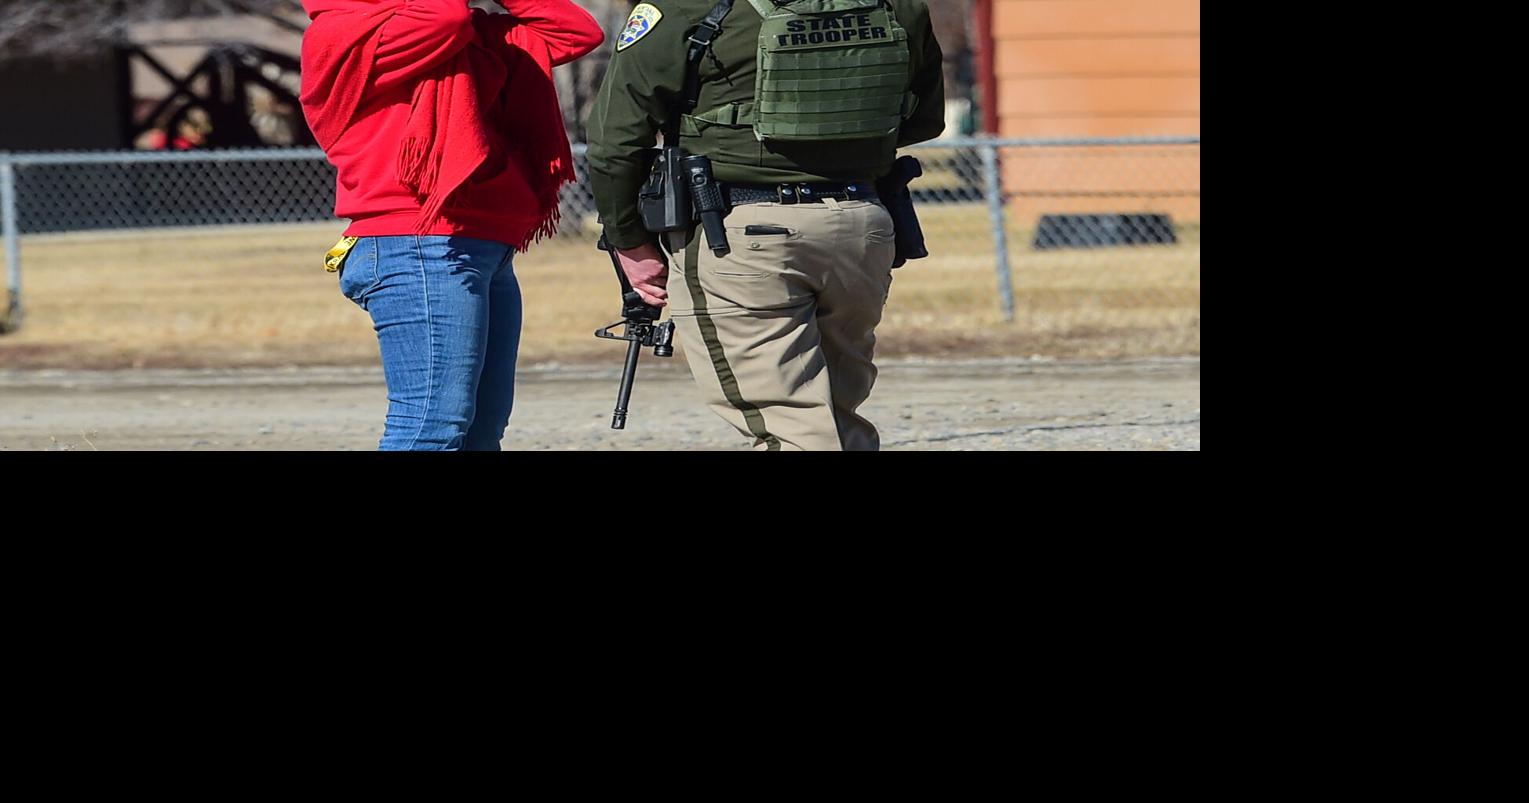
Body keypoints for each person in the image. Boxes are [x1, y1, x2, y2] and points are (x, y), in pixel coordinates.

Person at [587, 0, 945, 451]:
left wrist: (629, 242)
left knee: (788, 428)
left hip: (739, 234)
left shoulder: (686, 8)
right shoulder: (897, 5)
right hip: (862, 224)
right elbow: (925, 118)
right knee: (837, 419)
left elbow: (614, 142)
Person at [300, 0, 603, 450]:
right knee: (430, 430)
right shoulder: (345, 31)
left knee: (481, 433)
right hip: (417, 244)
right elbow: (444, 18)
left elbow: (576, 31)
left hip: (482, 246)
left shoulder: (474, 36)